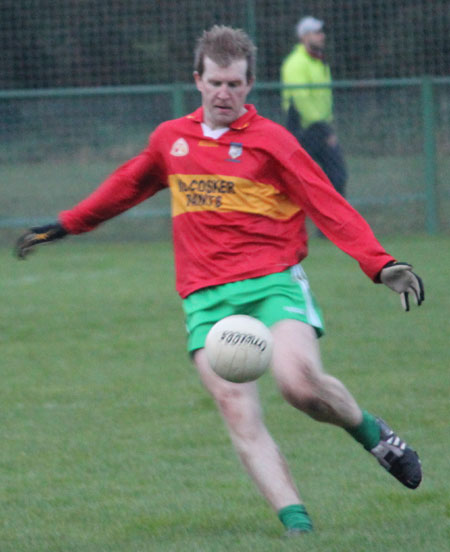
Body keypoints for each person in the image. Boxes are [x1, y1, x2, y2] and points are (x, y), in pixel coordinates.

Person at [15, 25, 424, 537]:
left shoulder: (274, 142)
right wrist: (67, 224)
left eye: (234, 84)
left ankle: (373, 435)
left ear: (250, 85)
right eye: (215, 83)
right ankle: (298, 527)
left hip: (272, 281)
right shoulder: (171, 139)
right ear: (198, 81)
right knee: (237, 409)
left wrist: (379, 263)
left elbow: (328, 203)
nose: (224, 93)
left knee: (298, 385)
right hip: (205, 297)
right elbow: (129, 184)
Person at [281, 16, 347, 198]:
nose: (322, 36)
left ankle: (328, 226)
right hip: (304, 130)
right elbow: (301, 100)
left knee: (337, 178)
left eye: (321, 32)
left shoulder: (319, 62)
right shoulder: (296, 63)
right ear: (304, 37)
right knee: (298, 184)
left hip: (319, 128)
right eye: (317, 33)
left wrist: (327, 125)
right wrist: (324, 130)